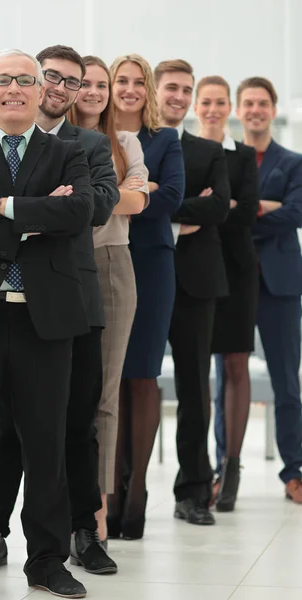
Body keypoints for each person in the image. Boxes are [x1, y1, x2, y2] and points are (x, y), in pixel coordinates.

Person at [0, 48, 94, 600]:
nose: (14, 88)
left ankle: (46, 561)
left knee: (46, 447)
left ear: (41, 93)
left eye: (24, 80)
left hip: (46, 318)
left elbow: (78, 212)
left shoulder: (67, 154)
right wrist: (33, 216)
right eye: (2, 80)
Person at [0, 45, 120, 578]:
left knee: (76, 422)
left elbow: (97, 206)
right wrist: (49, 206)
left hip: (72, 299)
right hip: (2, 300)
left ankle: (84, 531)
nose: (61, 88)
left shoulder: (89, 143)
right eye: (52, 77)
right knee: (2, 426)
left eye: (72, 82)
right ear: (36, 81)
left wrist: (18, 209)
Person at [69, 55, 149, 551]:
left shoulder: (125, 143)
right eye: (87, 84)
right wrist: (108, 194)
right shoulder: (54, 142)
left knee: (105, 394)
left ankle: (95, 511)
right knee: (57, 395)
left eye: (102, 84)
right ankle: (55, 507)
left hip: (113, 265)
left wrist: (78, 196)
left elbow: (139, 200)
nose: (95, 92)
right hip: (58, 268)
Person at [107, 54, 185, 540]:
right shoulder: (95, 133)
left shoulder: (165, 139)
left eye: (140, 82)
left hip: (152, 264)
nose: (131, 89)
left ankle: (136, 495)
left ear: (149, 90)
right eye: (123, 81)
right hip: (104, 261)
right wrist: (138, 188)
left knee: (141, 376)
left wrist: (129, 191)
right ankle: (108, 494)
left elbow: (173, 196)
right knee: (109, 378)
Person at [215, 77, 302, 505]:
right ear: (238, 109)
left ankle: (294, 471)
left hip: (280, 284)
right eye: (248, 103)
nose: (254, 110)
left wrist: (245, 209)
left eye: (262, 103)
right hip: (232, 278)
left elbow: (297, 214)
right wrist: (268, 206)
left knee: (287, 382)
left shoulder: (293, 161)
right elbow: (219, 209)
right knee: (226, 379)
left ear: (273, 109)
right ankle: (222, 470)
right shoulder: (225, 157)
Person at [155, 59, 230, 526]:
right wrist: (185, 207)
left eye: (187, 89)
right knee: (130, 388)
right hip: (144, 275)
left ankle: (194, 492)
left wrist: (159, 200)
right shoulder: (135, 145)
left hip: (197, 282)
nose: (180, 97)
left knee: (193, 390)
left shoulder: (207, 150)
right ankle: (119, 492)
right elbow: (122, 201)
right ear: (153, 90)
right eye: (171, 88)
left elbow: (219, 206)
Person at [194, 75, 259, 511]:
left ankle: (230, 467)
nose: (214, 109)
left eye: (221, 102)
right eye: (207, 102)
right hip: (195, 268)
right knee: (197, 370)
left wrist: (212, 205)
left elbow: (247, 210)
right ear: (196, 106)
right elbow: (183, 203)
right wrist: (221, 203)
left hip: (236, 270)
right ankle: (198, 470)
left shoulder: (244, 155)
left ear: (230, 106)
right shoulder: (185, 149)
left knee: (236, 366)